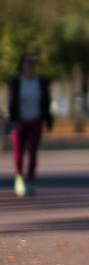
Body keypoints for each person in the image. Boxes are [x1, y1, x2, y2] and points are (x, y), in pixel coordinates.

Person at [7, 54, 54, 197]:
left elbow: (46, 102)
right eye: (28, 63)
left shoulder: (40, 82)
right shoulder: (16, 81)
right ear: (22, 65)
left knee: (33, 151)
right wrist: (13, 120)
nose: (30, 66)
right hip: (20, 121)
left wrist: (48, 119)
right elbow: (12, 102)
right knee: (19, 151)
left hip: (35, 120)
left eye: (33, 63)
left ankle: (30, 180)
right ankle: (19, 177)